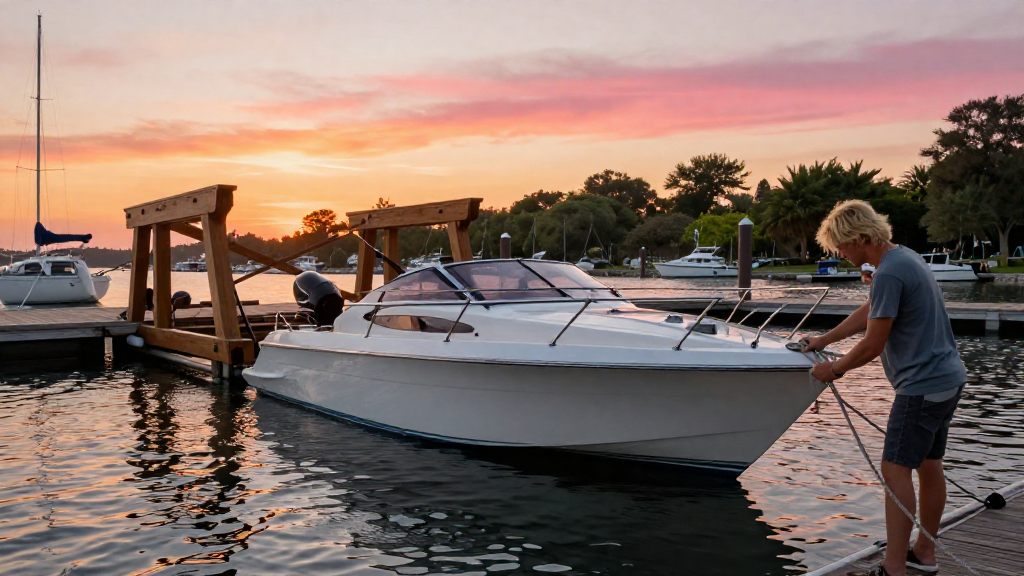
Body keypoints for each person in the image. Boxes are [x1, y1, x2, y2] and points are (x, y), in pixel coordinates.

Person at [802, 200, 966, 576]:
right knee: (929, 465)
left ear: (859, 237)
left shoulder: (890, 272)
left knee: (894, 472)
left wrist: (835, 369)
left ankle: (894, 569)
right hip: (948, 379)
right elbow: (870, 309)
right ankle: (924, 553)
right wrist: (825, 339)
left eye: (841, 246)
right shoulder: (901, 258)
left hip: (921, 388)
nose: (840, 255)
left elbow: (874, 344)